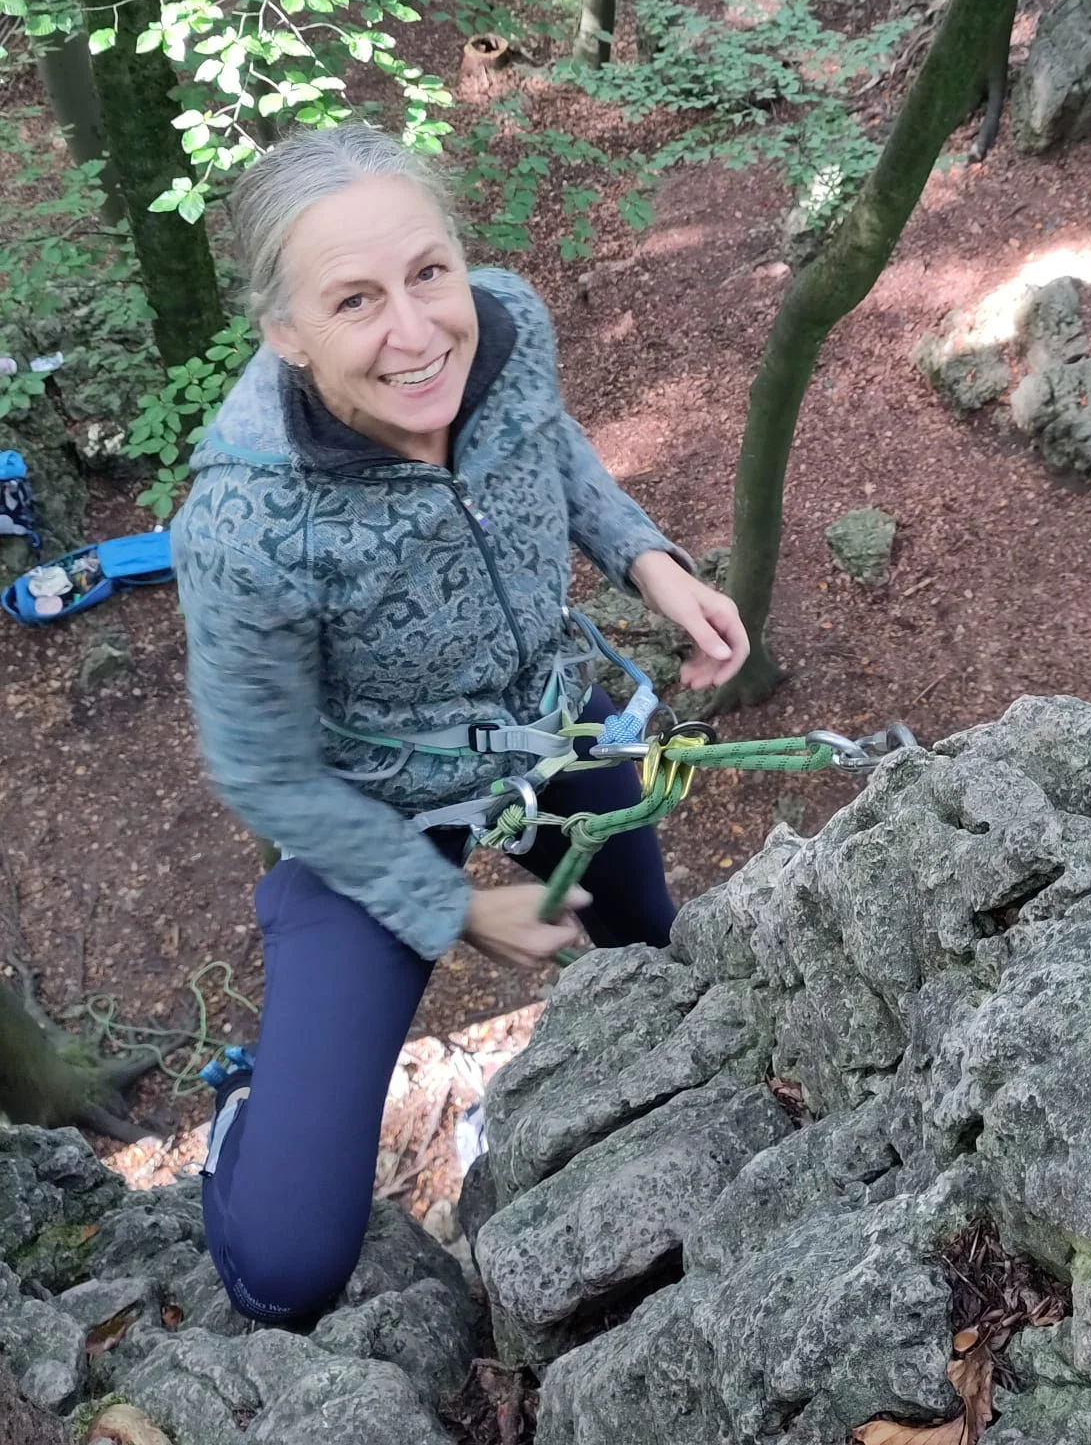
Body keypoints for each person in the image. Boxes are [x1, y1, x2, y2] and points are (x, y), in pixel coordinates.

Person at [172, 122, 749, 1325]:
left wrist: (649, 562)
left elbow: (550, 445)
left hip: (549, 729)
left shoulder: (508, 328)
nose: (418, 329)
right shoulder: (246, 526)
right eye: (355, 299)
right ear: (286, 331)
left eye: (429, 271)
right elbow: (262, 769)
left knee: (660, 953)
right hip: (364, 804)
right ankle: (244, 1119)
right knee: (283, 1266)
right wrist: (449, 907)